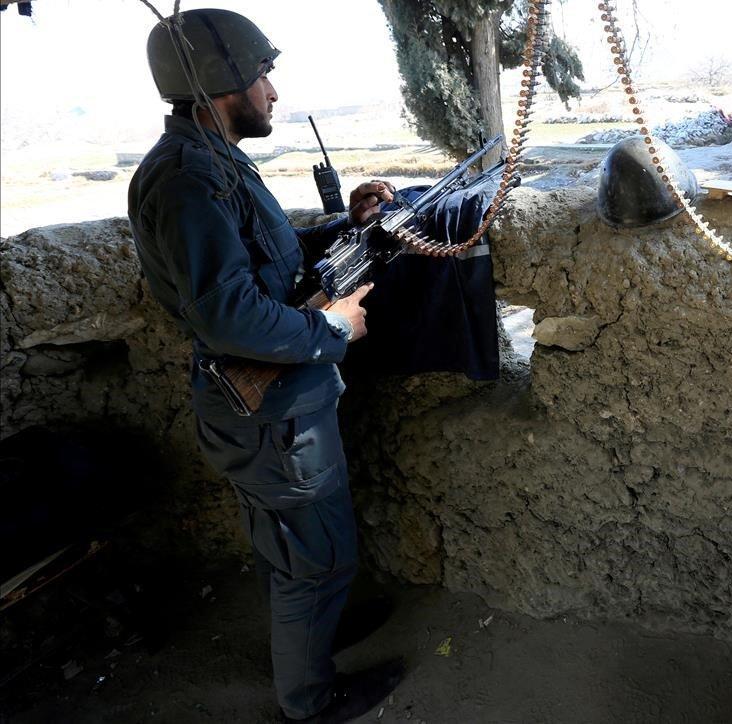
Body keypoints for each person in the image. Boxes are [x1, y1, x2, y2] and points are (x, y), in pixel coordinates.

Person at [127, 9, 402, 722]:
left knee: (292, 548)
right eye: (260, 75)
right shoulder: (189, 178)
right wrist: (331, 328)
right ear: (223, 84)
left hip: (264, 411)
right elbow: (231, 315)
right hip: (271, 415)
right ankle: (309, 699)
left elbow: (261, 263)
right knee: (317, 556)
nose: (272, 91)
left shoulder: (208, 162)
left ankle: (311, 638)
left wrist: (350, 227)